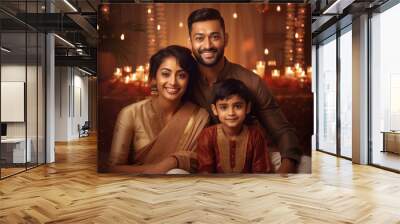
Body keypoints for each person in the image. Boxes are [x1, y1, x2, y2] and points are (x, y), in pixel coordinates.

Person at [187, 8, 302, 173]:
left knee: (304, 163)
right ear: (189, 42)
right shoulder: (184, 81)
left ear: (225, 39)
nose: (207, 45)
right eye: (199, 38)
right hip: (199, 161)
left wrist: (284, 173)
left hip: (248, 160)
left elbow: (283, 131)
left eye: (215, 37)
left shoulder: (251, 82)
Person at [108, 45, 209, 174]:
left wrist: (173, 161)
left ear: (189, 80)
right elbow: (113, 169)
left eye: (181, 75)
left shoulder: (199, 117)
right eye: (165, 74)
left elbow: (197, 162)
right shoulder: (131, 114)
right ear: (154, 78)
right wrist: (161, 168)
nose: (173, 82)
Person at [197, 79, 272, 173]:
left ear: (248, 108)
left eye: (238, 106)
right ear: (215, 109)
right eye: (224, 107)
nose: (231, 113)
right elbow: (205, 172)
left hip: (249, 186)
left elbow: (261, 171)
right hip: (214, 186)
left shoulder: (255, 135)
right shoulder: (207, 135)